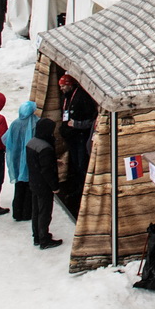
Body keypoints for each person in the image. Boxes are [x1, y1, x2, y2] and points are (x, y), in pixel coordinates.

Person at [56, 73, 98, 210]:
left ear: (70, 85)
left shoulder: (82, 98)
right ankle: (77, 188)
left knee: (81, 164)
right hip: (72, 137)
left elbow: (91, 120)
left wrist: (77, 124)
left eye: (63, 86)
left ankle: (82, 190)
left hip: (81, 137)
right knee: (75, 163)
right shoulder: (66, 97)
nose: (61, 89)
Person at [24, 117, 62, 249]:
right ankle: (44, 239)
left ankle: (37, 237)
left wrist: (53, 161)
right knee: (45, 212)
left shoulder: (31, 143)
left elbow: (37, 162)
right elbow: (47, 170)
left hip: (34, 182)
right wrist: (55, 187)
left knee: (36, 211)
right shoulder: (46, 148)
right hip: (44, 185)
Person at [3, 99, 38, 221]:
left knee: (19, 186)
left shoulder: (15, 124)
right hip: (30, 159)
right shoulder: (35, 123)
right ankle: (27, 212)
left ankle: (17, 212)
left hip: (16, 159)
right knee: (29, 187)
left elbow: (5, 139)